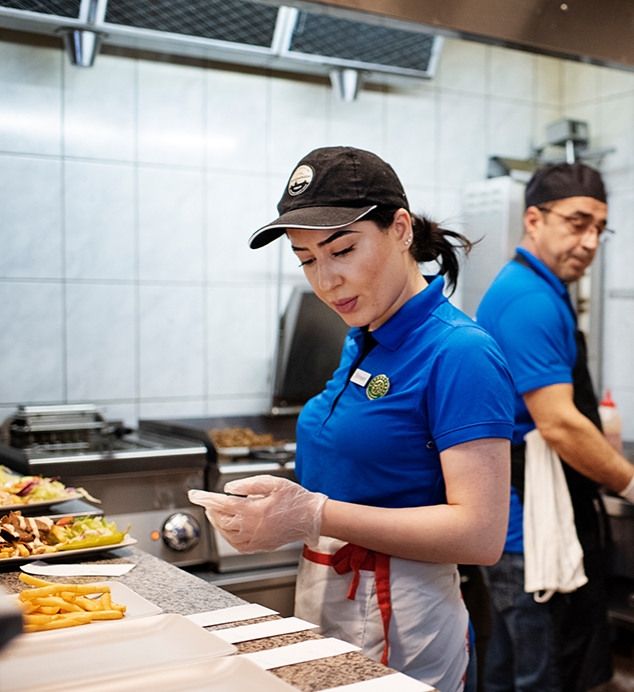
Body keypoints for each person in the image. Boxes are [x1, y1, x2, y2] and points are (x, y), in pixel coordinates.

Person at [189, 146, 514, 692]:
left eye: (342, 249)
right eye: (308, 259)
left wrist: (312, 512)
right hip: (330, 592)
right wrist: (280, 513)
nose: (327, 280)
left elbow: (480, 535)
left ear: (401, 229)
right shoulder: (362, 337)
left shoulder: (460, 352)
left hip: (405, 616)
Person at [476, 163, 634, 692]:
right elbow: (558, 424)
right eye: (577, 222)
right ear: (534, 219)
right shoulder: (529, 300)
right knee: (548, 676)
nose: (589, 241)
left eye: (599, 229)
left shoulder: (539, 289)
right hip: (531, 531)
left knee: (512, 673)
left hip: (525, 525)